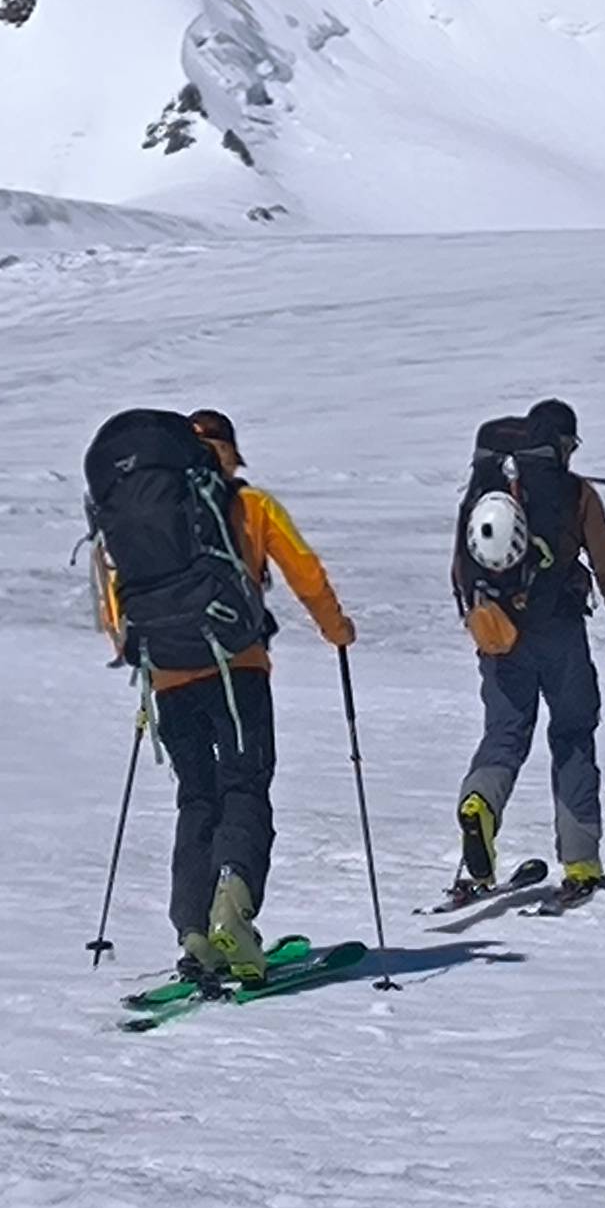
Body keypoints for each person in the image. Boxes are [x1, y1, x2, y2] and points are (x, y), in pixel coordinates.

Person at [98, 407, 356, 986]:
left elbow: (119, 600)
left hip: (168, 675)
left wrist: (148, 649)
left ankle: (193, 933)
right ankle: (232, 914)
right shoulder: (250, 507)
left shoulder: (144, 517)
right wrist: (335, 628)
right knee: (244, 786)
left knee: (196, 797)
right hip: (237, 669)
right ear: (230, 453)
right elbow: (304, 571)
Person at [450, 396, 605, 907]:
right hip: (560, 634)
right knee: (574, 733)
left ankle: (479, 805)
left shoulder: (486, 489)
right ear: (562, 443)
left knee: (505, 733)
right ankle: (580, 860)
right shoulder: (575, 495)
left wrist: (477, 616)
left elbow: (460, 566)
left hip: (498, 633)